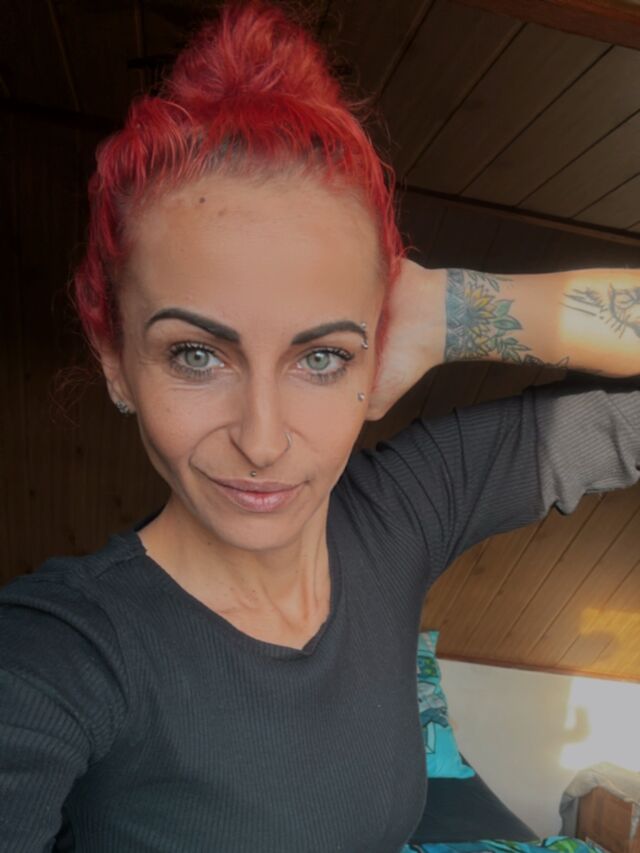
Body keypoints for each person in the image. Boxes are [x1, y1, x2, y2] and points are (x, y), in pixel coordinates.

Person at [0, 2, 638, 851]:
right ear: (116, 361)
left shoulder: (398, 517)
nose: (262, 441)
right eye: (197, 354)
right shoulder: (60, 651)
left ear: (376, 359)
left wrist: (448, 309)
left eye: (322, 357)